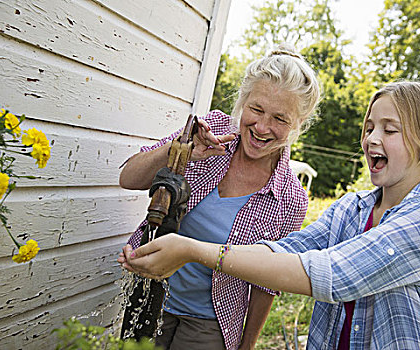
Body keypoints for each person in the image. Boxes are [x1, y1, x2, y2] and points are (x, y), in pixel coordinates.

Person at [120, 81, 420, 349]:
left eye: (389, 130)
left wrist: (193, 250)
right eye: (369, 127)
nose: (371, 138)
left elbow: (333, 274)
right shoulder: (352, 209)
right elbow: (285, 250)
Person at [118, 46, 321, 350]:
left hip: (211, 324)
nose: (263, 127)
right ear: (242, 102)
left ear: (298, 123)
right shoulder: (208, 132)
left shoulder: (291, 198)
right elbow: (128, 177)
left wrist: (247, 345)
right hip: (149, 297)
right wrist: (182, 150)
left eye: (280, 118)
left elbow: (266, 284)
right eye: (256, 109)